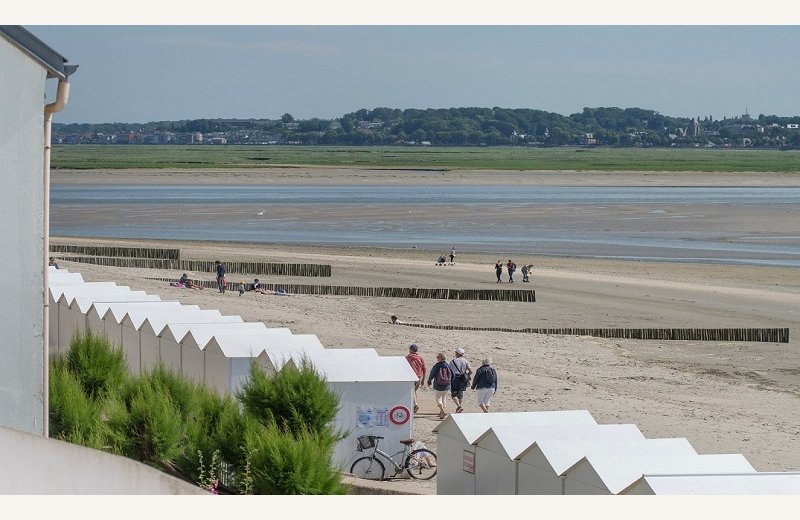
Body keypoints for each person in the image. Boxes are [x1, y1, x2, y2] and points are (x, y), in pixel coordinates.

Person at [426, 352, 452, 419]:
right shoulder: (448, 365)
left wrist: (429, 381)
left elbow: (432, 374)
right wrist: (449, 381)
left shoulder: (437, 366)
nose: (436, 358)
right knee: (444, 399)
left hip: (438, 385)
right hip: (447, 386)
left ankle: (443, 411)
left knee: (438, 399)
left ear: (440, 358)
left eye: (437, 357)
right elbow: (453, 375)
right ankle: (441, 413)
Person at [448, 347, 472, 413]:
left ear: (457, 353)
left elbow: (449, 370)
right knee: (460, 394)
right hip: (463, 379)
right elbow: (471, 371)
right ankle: (460, 406)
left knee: (454, 394)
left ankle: (458, 406)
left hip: (455, 378)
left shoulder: (453, 361)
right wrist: (467, 376)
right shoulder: (465, 361)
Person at [405, 344, 426, 414]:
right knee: (414, 391)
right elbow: (424, 369)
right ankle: (414, 405)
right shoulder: (420, 357)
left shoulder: (407, 357)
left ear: (410, 349)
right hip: (419, 377)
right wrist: (423, 379)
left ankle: (415, 404)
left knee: (412, 391)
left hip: (411, 377)